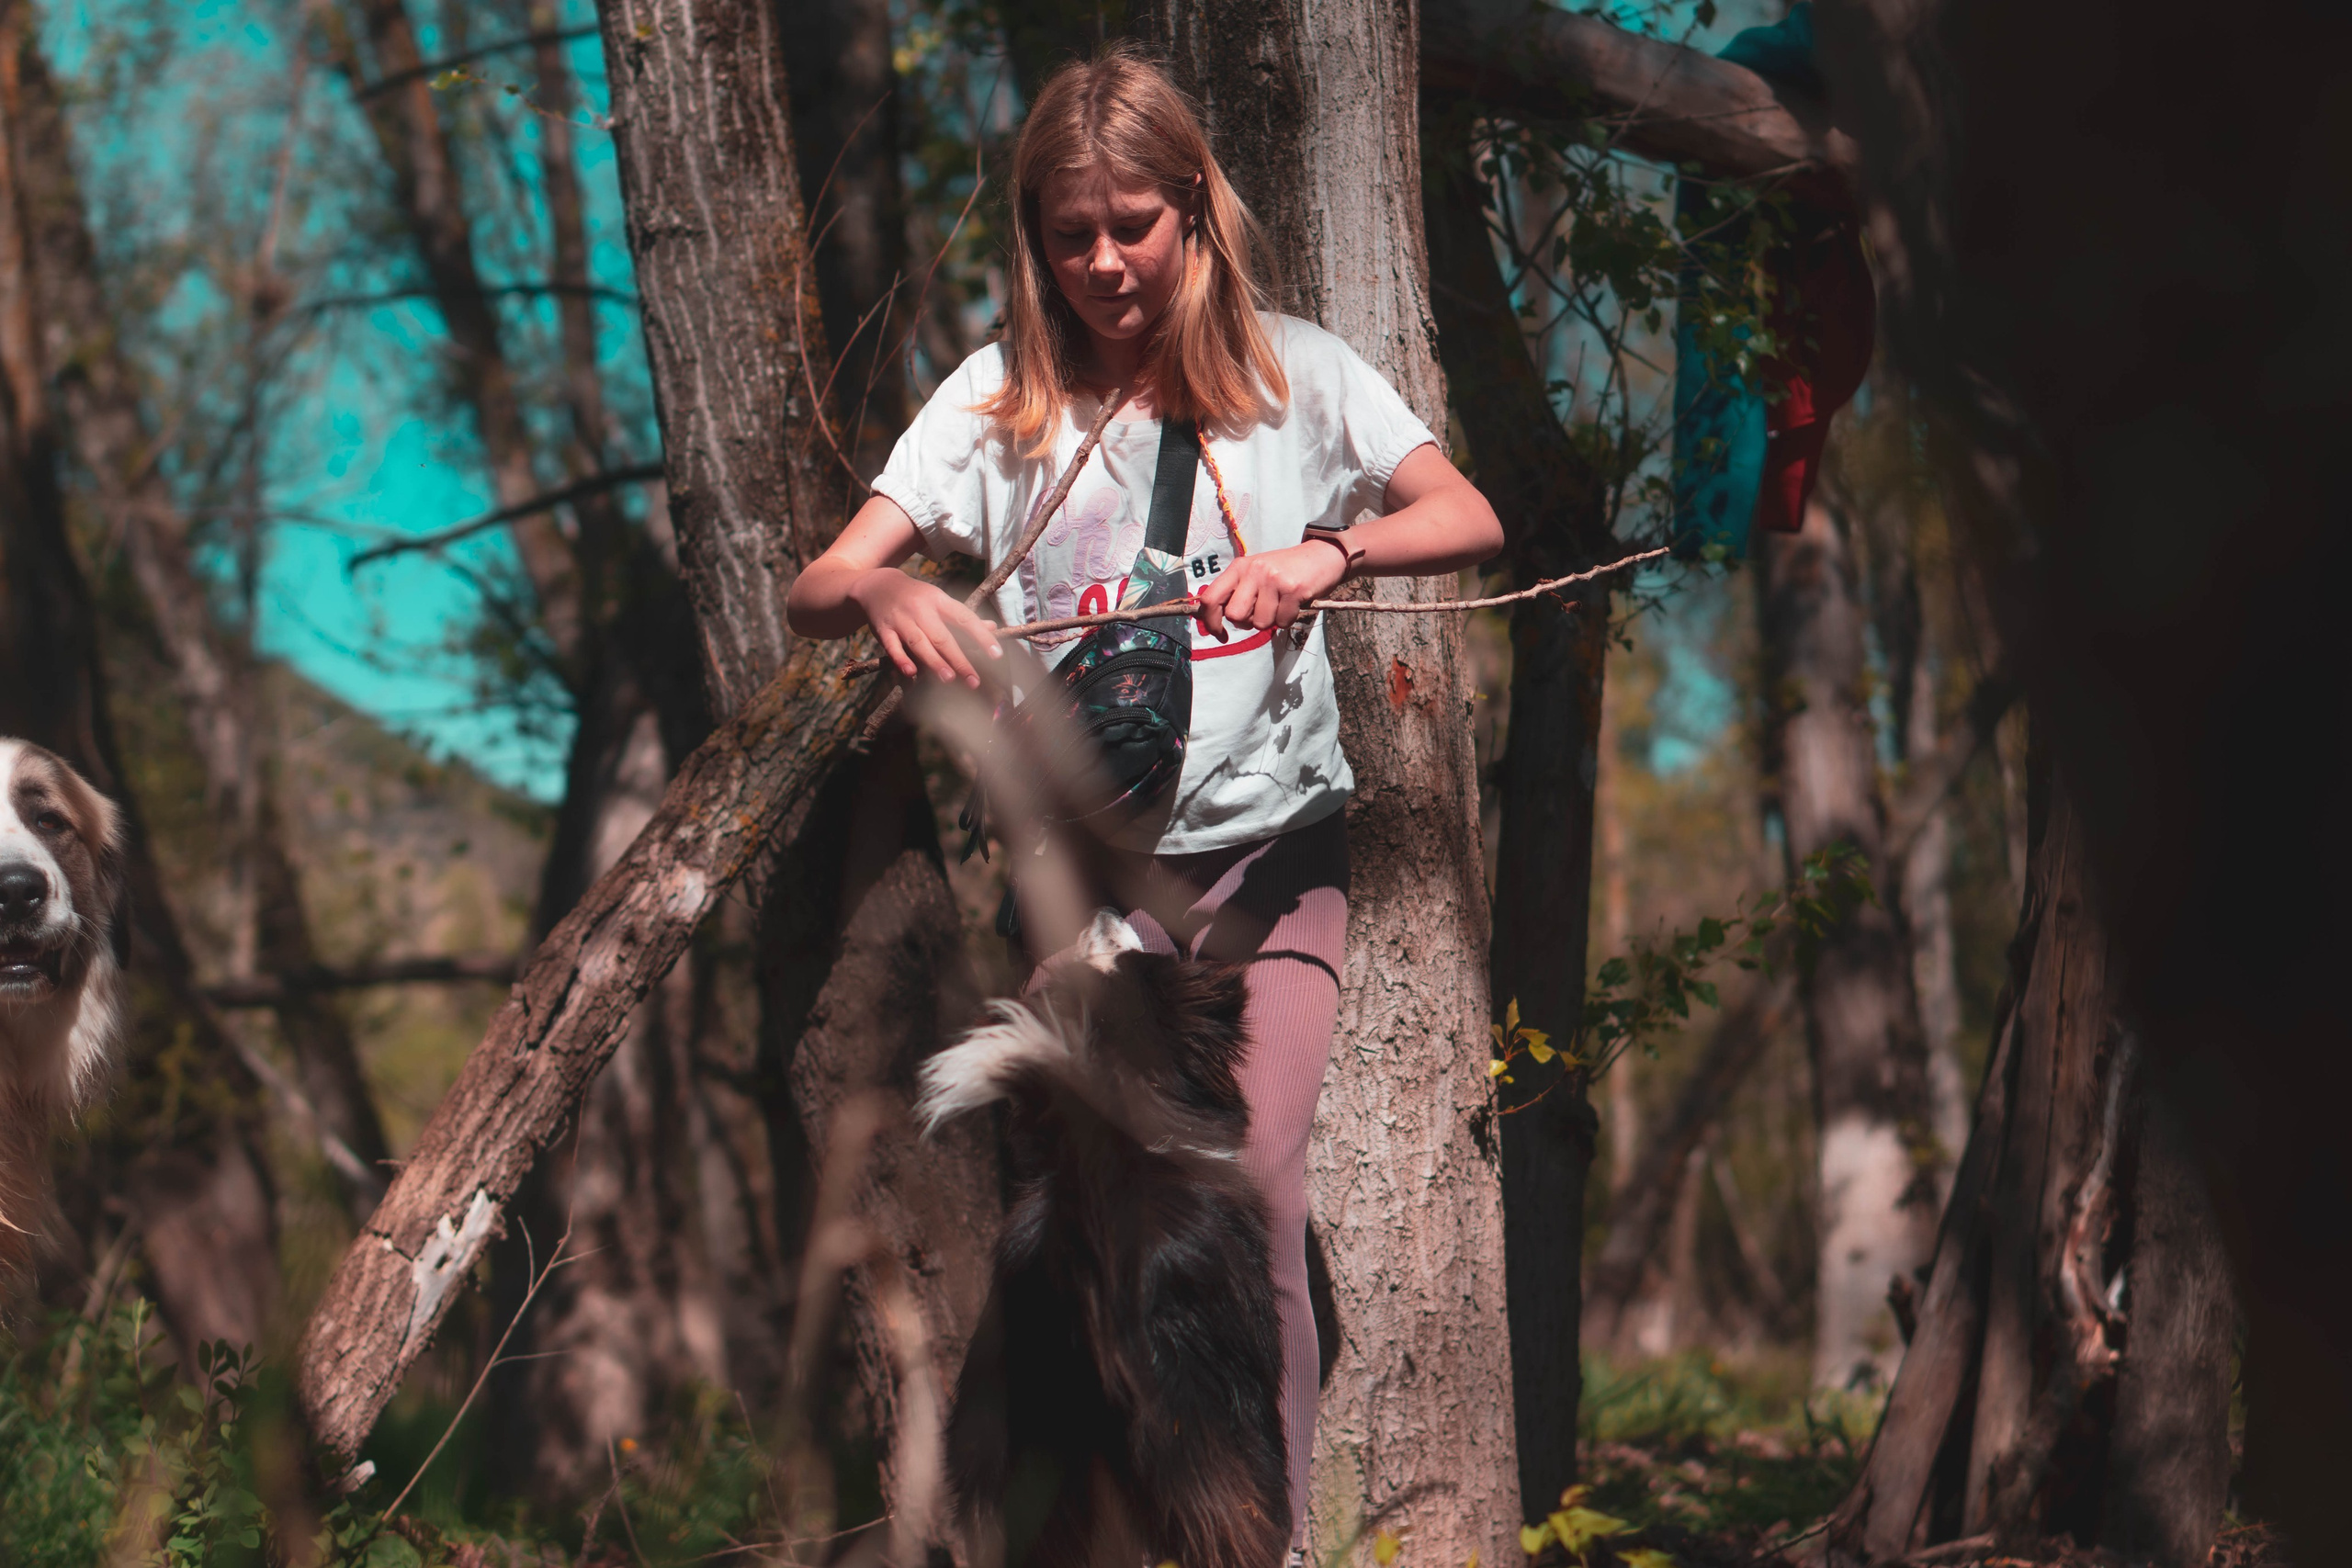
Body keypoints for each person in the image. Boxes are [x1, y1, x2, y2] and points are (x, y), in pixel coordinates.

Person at [786, 43, 1503, 1547]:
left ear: (1192, 210)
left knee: (1247, 1183)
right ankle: (1086, 1521)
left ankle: (1269, 1537)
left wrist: (1330, 553)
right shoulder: (1000, 405)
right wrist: (883, 593)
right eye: (1070, 233)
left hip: (1267, 866)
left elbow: (1468, 514)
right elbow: (825, 574)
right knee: (1076, 1214)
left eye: (1133, 225)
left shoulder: (1295, 376)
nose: (1105, 262)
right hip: (1081, 883)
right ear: (1036, 238)